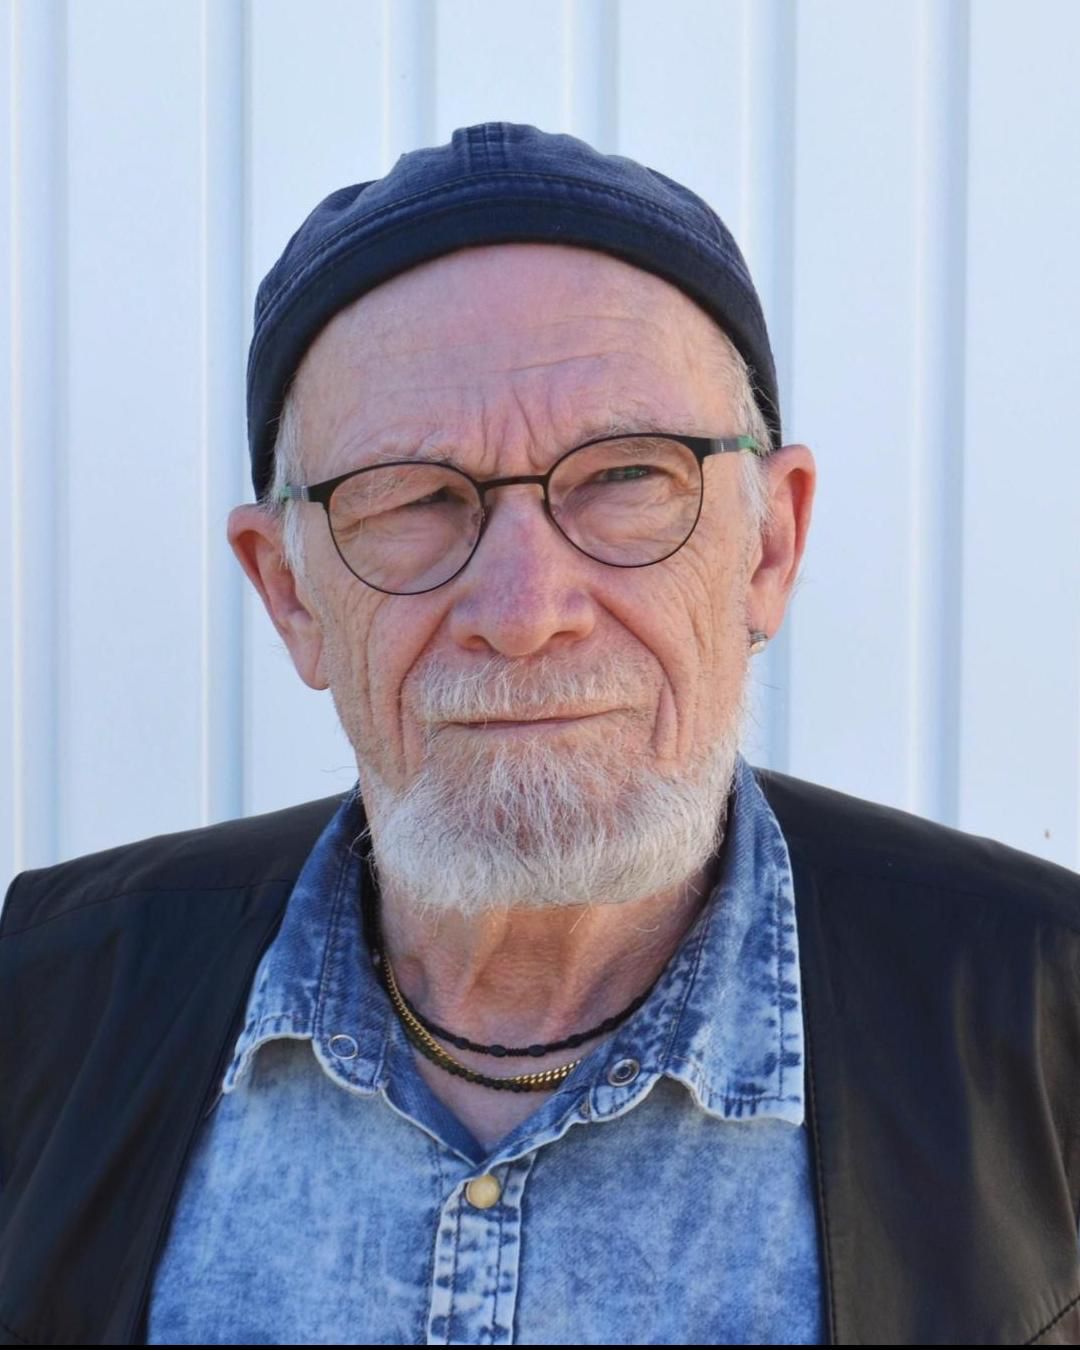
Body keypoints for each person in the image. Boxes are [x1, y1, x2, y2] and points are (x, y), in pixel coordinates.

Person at [1, 123, 1078, 1347]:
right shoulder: (47, 1003)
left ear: (770, 545)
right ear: (290, 593)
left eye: (626, 479)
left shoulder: (1046, 1016)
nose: (524, 612)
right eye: (412, 497)